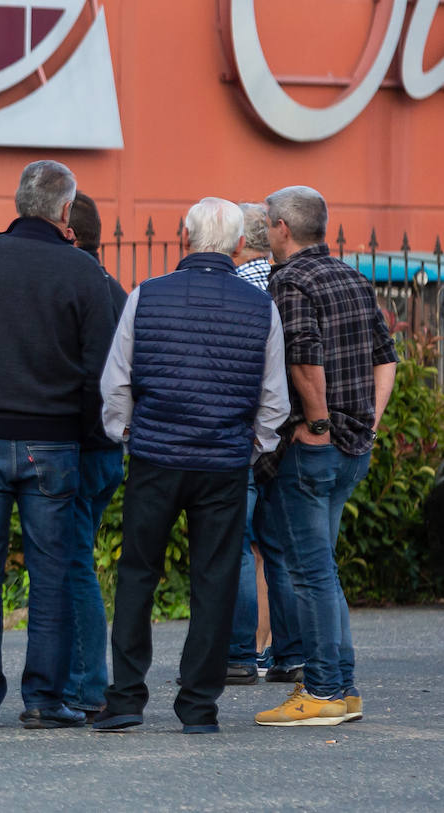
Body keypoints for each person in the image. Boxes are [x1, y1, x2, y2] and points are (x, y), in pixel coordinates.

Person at [92, 197, 289, 734]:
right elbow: (275, 399)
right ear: (237, 245)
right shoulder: (259, 306)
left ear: (185, 238)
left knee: (137, 575)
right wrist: (251, 446)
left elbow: (117, 382)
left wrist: (127, 433)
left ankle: (127, 699)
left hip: (157, 456)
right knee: (215, 579)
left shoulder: (146, 296)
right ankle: (199, 705)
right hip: (223, 462)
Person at [0, 160, 116, 730]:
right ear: (67, 212)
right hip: (54, 440)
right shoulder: (83, 272)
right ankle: (42, 700)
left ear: (18, 203)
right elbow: (100, 373)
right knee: (52, 570)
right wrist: (81, 432)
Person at [254, 186, 397, 727]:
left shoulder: (290, 281)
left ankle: (323, 691)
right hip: (354, 446)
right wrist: (368, 420)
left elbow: (303, 362)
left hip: (312, 448)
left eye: (268, 223)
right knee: (324, 571)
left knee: (310, 574)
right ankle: (345, 686)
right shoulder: (354, 279)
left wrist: (317, 423)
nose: (265, 231)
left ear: (283, 228)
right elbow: (388, 360)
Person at [225, 202, 304, 686]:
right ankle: (290, 653)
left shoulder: (236, 289)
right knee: (278, 547)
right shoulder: (287, 284)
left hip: (244, 436)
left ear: (238, 240)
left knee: (235, 544)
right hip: (290, 434)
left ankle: (238, 654)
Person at [61, 192, 128, 719]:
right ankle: (76, 679)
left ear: (69, 233)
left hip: (79, 444)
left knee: (73, 562)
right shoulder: (118, 291)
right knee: (75, 559)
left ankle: (87, 684)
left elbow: (85, 377)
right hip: (109, 446)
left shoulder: (74, 286)